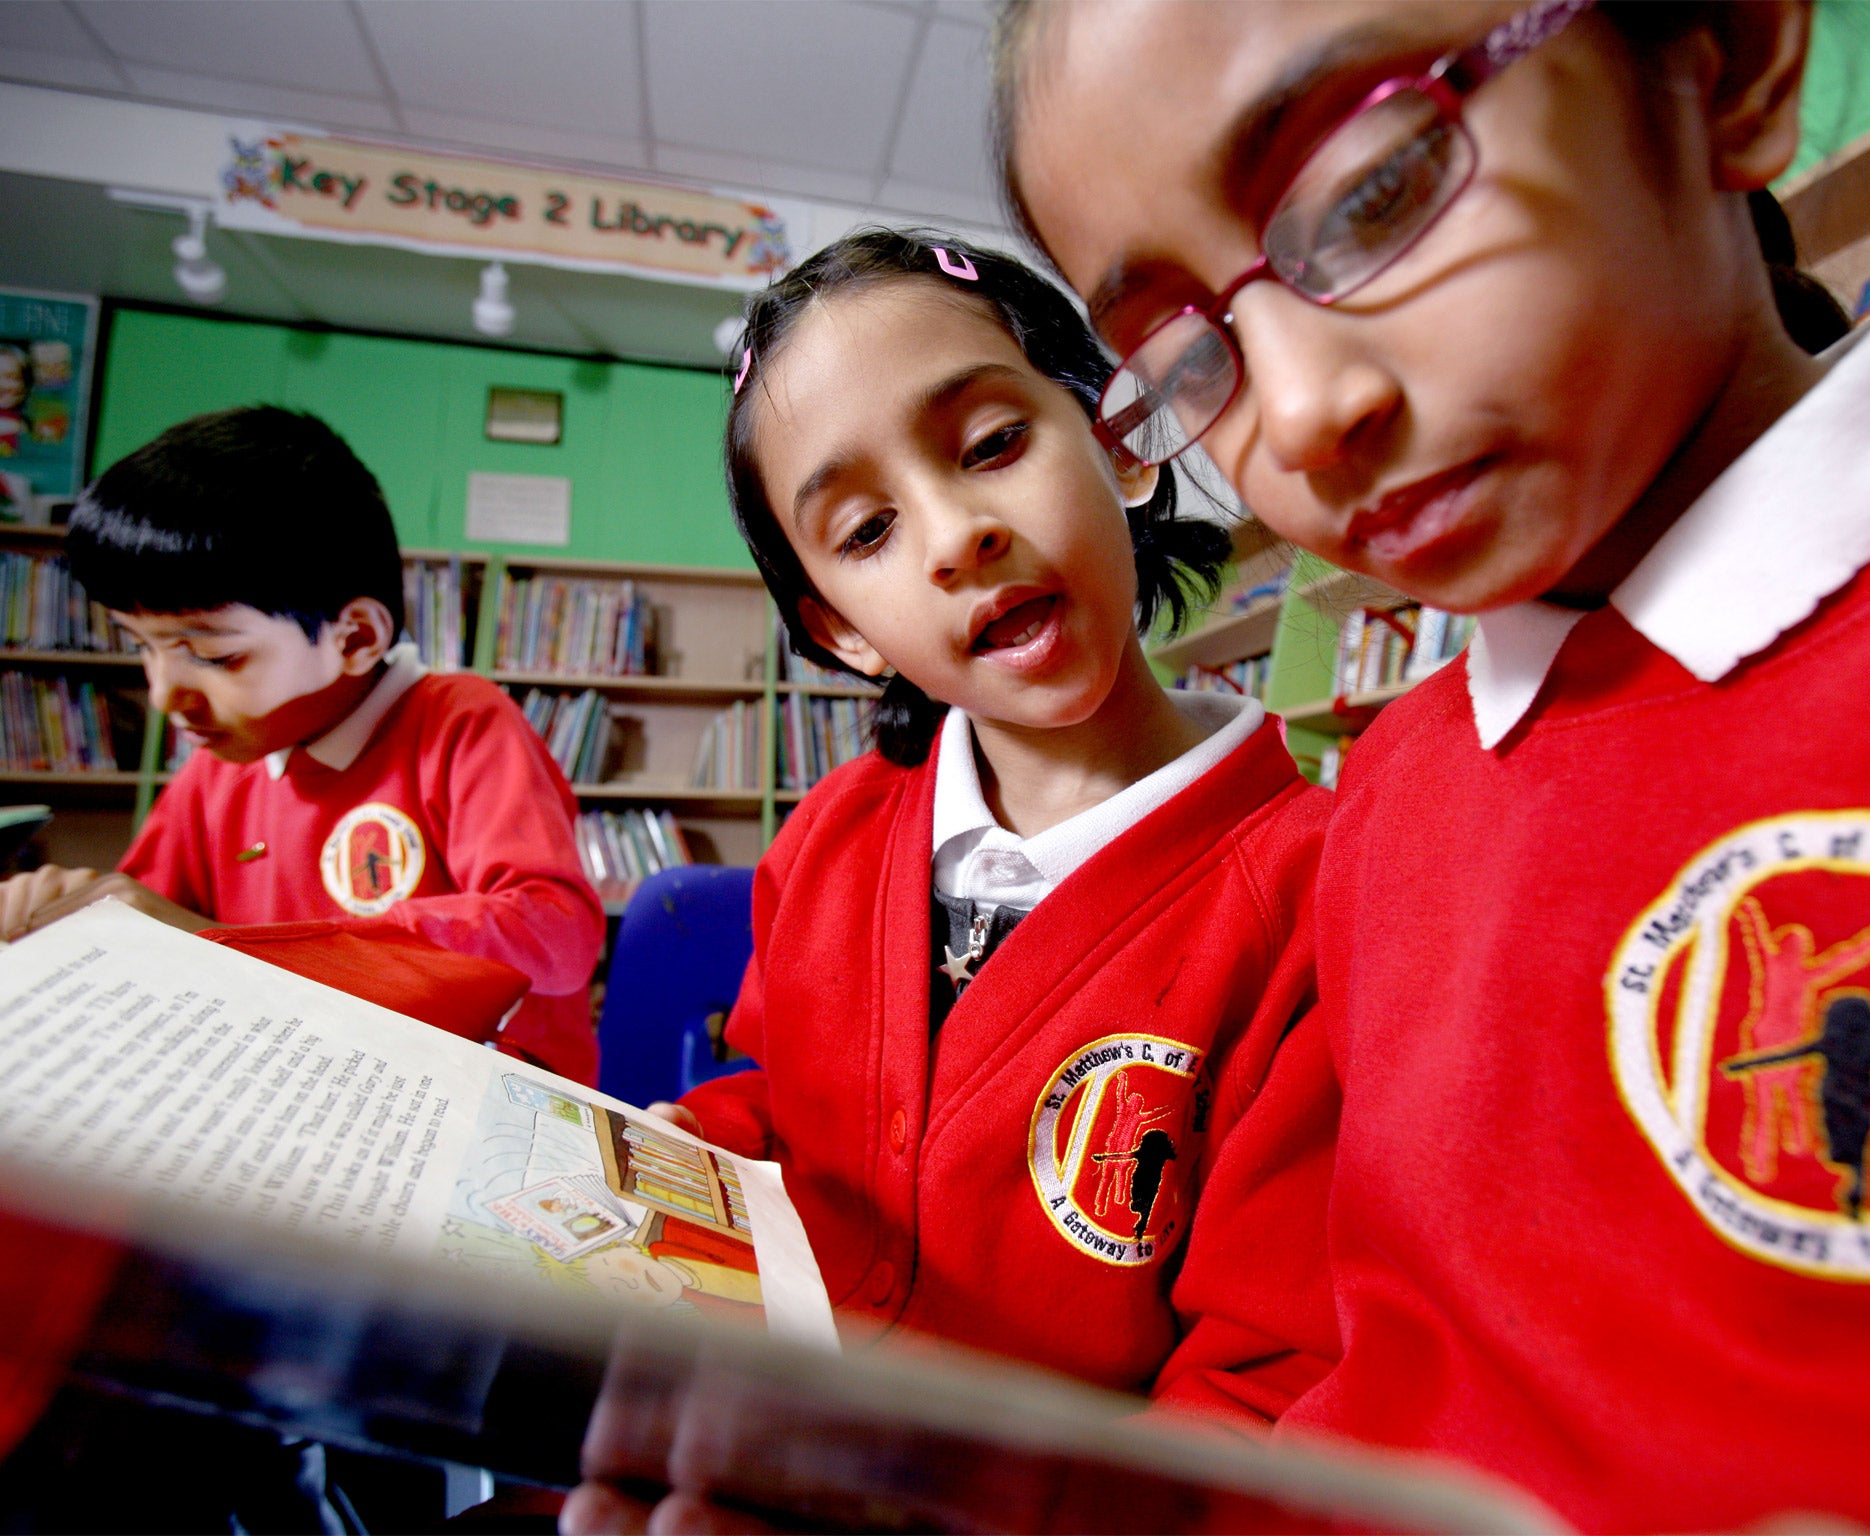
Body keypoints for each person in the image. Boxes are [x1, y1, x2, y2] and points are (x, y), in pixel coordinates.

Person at [992, 0, 1870, 1529]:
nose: (1299, 416)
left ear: (1727, 58)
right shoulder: (1394, 800)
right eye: (1188, 357)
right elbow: (1326, 1387)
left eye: (1372, 194)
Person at [639, 224, 1328, 1381]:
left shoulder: (1310, 889)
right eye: (867, 531)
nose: (958, 538)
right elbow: (789, 1113)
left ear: (1118, 444)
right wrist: (692, 1146)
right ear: (843, 629)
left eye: (993, 443)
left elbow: (1258, 1373)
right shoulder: (832, 834)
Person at [0, 406, 607, 1084]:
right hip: (291, 1088)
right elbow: (143, 927)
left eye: (211, 655)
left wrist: (228, 945)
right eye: (142, 647)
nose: (165, 694)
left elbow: (559, 935)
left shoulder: (458, 720)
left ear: (354, 638)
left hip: (470, 1104)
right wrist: (74, 923)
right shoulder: (218, 769)